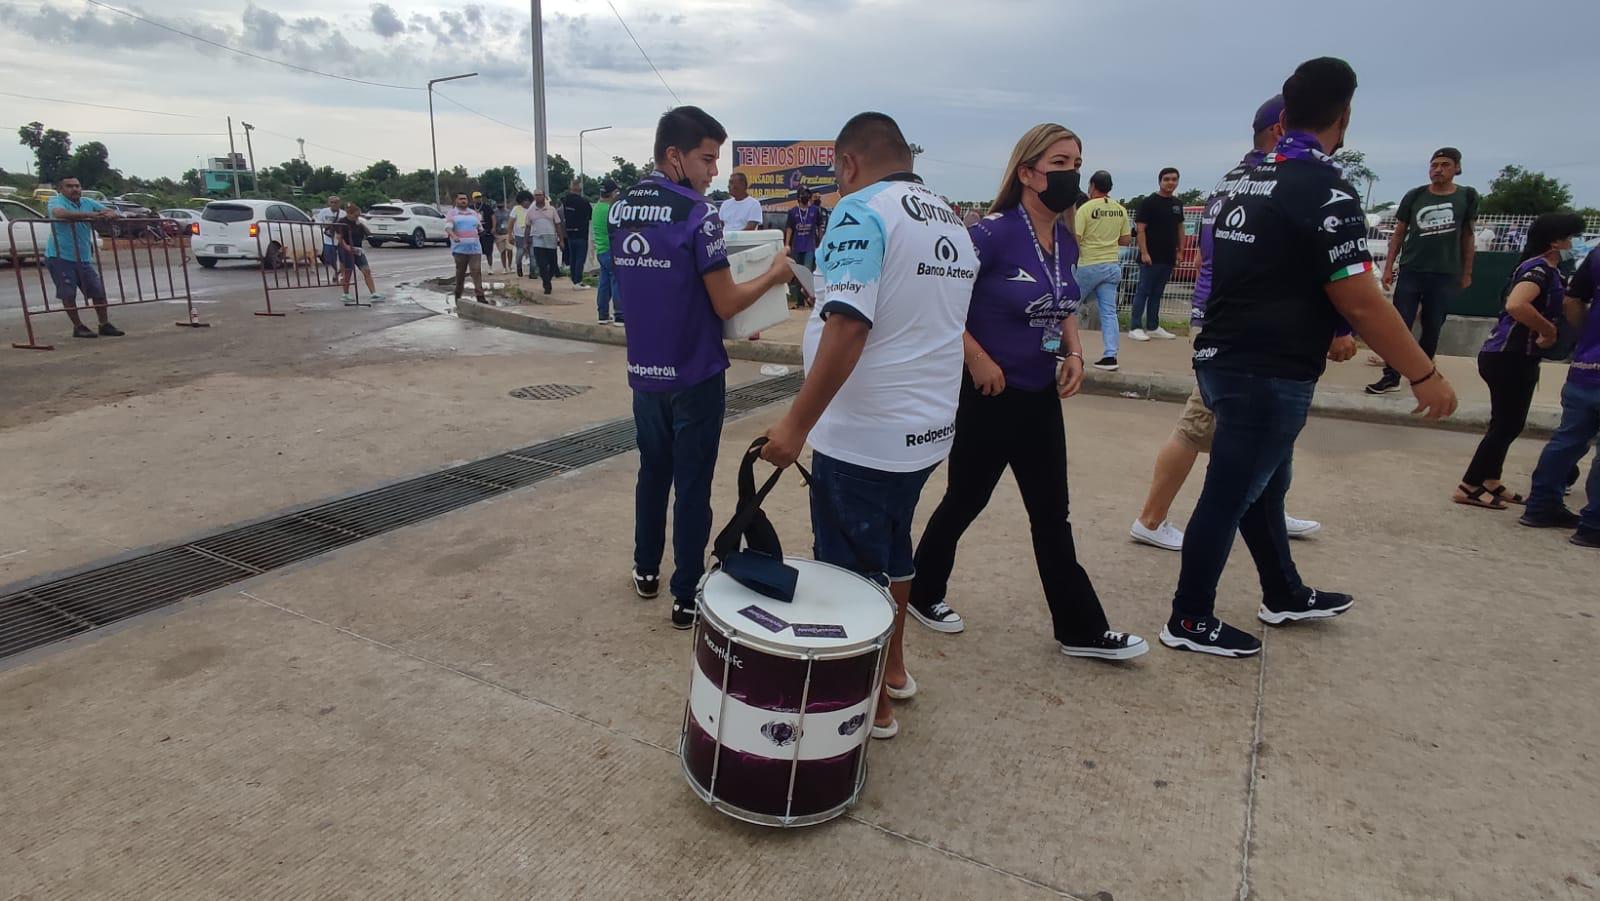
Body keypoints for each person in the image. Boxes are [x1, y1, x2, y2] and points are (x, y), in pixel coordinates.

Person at [1162, 57, 1458, 658]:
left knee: (1262, 489)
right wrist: (1424, 374)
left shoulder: (1238, 181)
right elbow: (1360, 298)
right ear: (1343, 116)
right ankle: (1189, 618)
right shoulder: (1324, 187)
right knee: (1229, 495)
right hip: (1267, 371)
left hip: (1224, 358)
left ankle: (1284, 592)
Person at [759, 111, 976, 739]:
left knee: (849, 573)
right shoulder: (948, 219)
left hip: (864, 436)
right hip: (925, 430)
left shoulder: (861, 211)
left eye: (835, 172)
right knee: (892, 548)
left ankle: (867, 705)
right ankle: (895, 671)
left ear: (848, 163)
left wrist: (796, 425)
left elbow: (850, 323)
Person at [901, 123, 1147, 659]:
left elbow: (1063, 305)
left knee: (1051, 512)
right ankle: (921, 590)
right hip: (987, 394)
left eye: (1077, 162)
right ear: (1027, 172)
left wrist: (1075, 351)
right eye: (1060, 163)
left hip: (1038, 393)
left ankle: (1080, 628)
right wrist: (977, 356)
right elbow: (938, 304)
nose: (1072, 173)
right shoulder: (988, 234)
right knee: (965, 500)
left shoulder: (1065, 239)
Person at [612, 106, 792, 628]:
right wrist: (775, 275)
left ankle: (646, 570)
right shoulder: (697, 214)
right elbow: (727, 303)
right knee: (692, 484)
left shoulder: (624, 208)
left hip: (645, 372)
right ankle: (686, 593)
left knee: (652, 473)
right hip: (694, 372)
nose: (714, 171)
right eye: (707, 159)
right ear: (675, 155)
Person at [1129, 95, 1332, 552]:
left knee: (1276, 424)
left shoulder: (1236, 182)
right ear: (1282, 130)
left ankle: (1270, 511)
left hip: (1242, 325)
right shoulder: (1265, 185)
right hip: (1233, 326)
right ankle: (1151, 518)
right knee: (1197, 425)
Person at [1455, 213, 1585, 510]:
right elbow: (1516, 304)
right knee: (1506, 425)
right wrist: (1547, 329)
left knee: (1508, 423)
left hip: (1513, 357)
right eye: (1570, 237)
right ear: (1555, 241)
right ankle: (1469, 484)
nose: (1572, 244)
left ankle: (1489, 479)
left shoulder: (1546, 270)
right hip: (1509, 355)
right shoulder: (1538, 270)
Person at [1367, 148, 1480, 395]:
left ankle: (1423, 375)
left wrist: (1466, 272)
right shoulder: (1416, 196)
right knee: (1399, 324)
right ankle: (1391, 376)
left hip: (1444, 272)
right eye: (1434, 165)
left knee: (1432, 326)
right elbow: (1399, 233)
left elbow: (1468, 237)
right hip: (1412, 269)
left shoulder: (1466, 197)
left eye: (1445, 165)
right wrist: (1389, 267)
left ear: (1456, 168)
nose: (1438, 169)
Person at [1520, 244, 1600, 547]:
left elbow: (1572, 301)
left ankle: (1541, 506)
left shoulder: (1596, 254)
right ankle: (1594, 524)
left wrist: (1588, 339)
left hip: (1586, 365)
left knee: (1567, 439)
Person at [43, 175, 123, 339]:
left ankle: (104, 324)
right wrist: (92, 216)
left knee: (98, 291)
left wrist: (109, 214)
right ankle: (78, 326)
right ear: (61, 189)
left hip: (83, 257)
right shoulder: (56, 201)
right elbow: (60, 214)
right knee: (68, 294)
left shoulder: (87, 202)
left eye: (77, 186)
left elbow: (110, 211)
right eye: (70, 186)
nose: (75, 189)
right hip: (60, 257)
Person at [1073, 170, 1129, 370]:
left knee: (1067, 308)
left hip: (1088, 264)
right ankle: (1110, 355)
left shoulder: (1086, 209)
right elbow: (1125, 239)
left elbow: (1076, 238)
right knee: (1109, 312)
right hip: (1111, 265)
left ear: (1092, 185)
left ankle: (1060, 349)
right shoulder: (1120, 210)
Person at [1130, 168, 1183, 341]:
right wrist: (1144, 252)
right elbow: (1140, 229)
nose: (1170, 183)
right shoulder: (1149, 202)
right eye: (1167, 179)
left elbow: (1180, 228)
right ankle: (1135, 326)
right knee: (1143, 291)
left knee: (1157, 293)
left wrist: (1180, 251)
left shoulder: (1177, 204)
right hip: (1150, 257)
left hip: (1167, 256)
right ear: (1160, 181)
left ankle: (1153, 326)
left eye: (1174, 179)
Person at [336, 202, 386, 303]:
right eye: (355, 215)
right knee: (348, 272)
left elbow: (368, 233)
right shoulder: (342, 222)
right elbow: (339, 237)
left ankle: (373, 293)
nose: (357, 216)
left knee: (366, 270)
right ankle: (346, 293)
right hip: (346, 249)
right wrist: (347, 247)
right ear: (349, 213)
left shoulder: (359, 222)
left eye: (358, 214)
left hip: (358, 249)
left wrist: (362, 224)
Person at [445, 193, 486, 306]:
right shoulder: (452, 213)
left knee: (476, 271)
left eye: (465, 199)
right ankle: (458, 294)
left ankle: (480, 296)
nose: (463, 201)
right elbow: (448, 228)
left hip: (475, 249)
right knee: (460, 273)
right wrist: (453, 236)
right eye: (461, 199)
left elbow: (479, 228)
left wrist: (482, 232)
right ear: (456, 200)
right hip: (460, 249)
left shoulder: (474, 214)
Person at [784, 185, 822, 308]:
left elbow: (819, 227)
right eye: (803, 195)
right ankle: (800, 302)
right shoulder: (793, 212)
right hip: (797, 246)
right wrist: (787, 244)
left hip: (810, 246)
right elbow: (789, 228)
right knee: (798, 274)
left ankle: (810, 296)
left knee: (807, 270)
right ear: (798, 197)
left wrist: (820, 243)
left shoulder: (815, 210)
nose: (805, 197)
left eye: (807, 194)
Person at [592, 179, 623, 325]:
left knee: (604, 284)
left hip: (601, 250)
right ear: (611, 193)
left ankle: (603, 315)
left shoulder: (597, 207)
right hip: (612, 250)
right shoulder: (611, 210)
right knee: (617, 282)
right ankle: (620, 315)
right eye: (616, 192)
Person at [526, 190, 562, 295]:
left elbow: (558, 224)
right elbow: (528, 227)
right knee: (541, 264)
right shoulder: (531, 211)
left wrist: (561, 240)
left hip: (551, 238)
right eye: (536, 195)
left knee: (552, 263)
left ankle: (548, 278)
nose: (538, 197)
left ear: (544, 196)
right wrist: (525, 242)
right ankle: (546, 284)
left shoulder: (551, 210)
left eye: (540, 195)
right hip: (537, 239)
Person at [561, 178, 592, 287]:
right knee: (580, 258)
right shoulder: (583, 202)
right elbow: (590, 216)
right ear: (579, 188)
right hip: (581, 233)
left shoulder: (565, 201)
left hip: (569, 233)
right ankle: (578, 281)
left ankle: (573, 278)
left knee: (573, 257)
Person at [314, 194, 344, 271]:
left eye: (336, 202)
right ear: (329, 203)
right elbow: (317, 221)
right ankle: (335, 271)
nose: (334, 204)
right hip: (328, 239)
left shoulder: (343, 213)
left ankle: (342, 272)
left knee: (343, 258)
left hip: (341, 240)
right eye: (332, 202)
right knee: (330, 258)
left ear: (339, 203)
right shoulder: (324, 211)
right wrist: (324, 225)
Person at [510, 191, 533, 278]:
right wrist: (510, 234)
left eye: (528, 200)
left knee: (533, 254)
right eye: (524, 200)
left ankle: (533, 273)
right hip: (519, 235)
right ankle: (519, 266)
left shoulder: (533, 208)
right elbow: (511, 222)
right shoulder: (516, 209)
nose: (526, 202)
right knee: (520, 253)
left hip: (532, 234)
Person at [473, 192, 497, 273]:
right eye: (476, 197)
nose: (478, 199)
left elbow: (493, 217)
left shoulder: (487, 207)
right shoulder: (470, 208)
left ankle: (490, 267)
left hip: (487, 232)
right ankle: (477, 268)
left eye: (479, 197)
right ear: (473, 199)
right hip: (475, 233)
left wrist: (493, 228)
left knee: (489, 251)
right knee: (476, 252)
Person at [494, 200, 514, 272]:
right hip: (499, 234)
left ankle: (510, 266)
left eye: (501, 202)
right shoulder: (494, 212)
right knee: (502, 251)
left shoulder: (508, 212)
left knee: (509, 250)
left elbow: (512, 222)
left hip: (507, 233)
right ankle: (504, 267)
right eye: (498, 202)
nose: (500, 204)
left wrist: (512, 232)